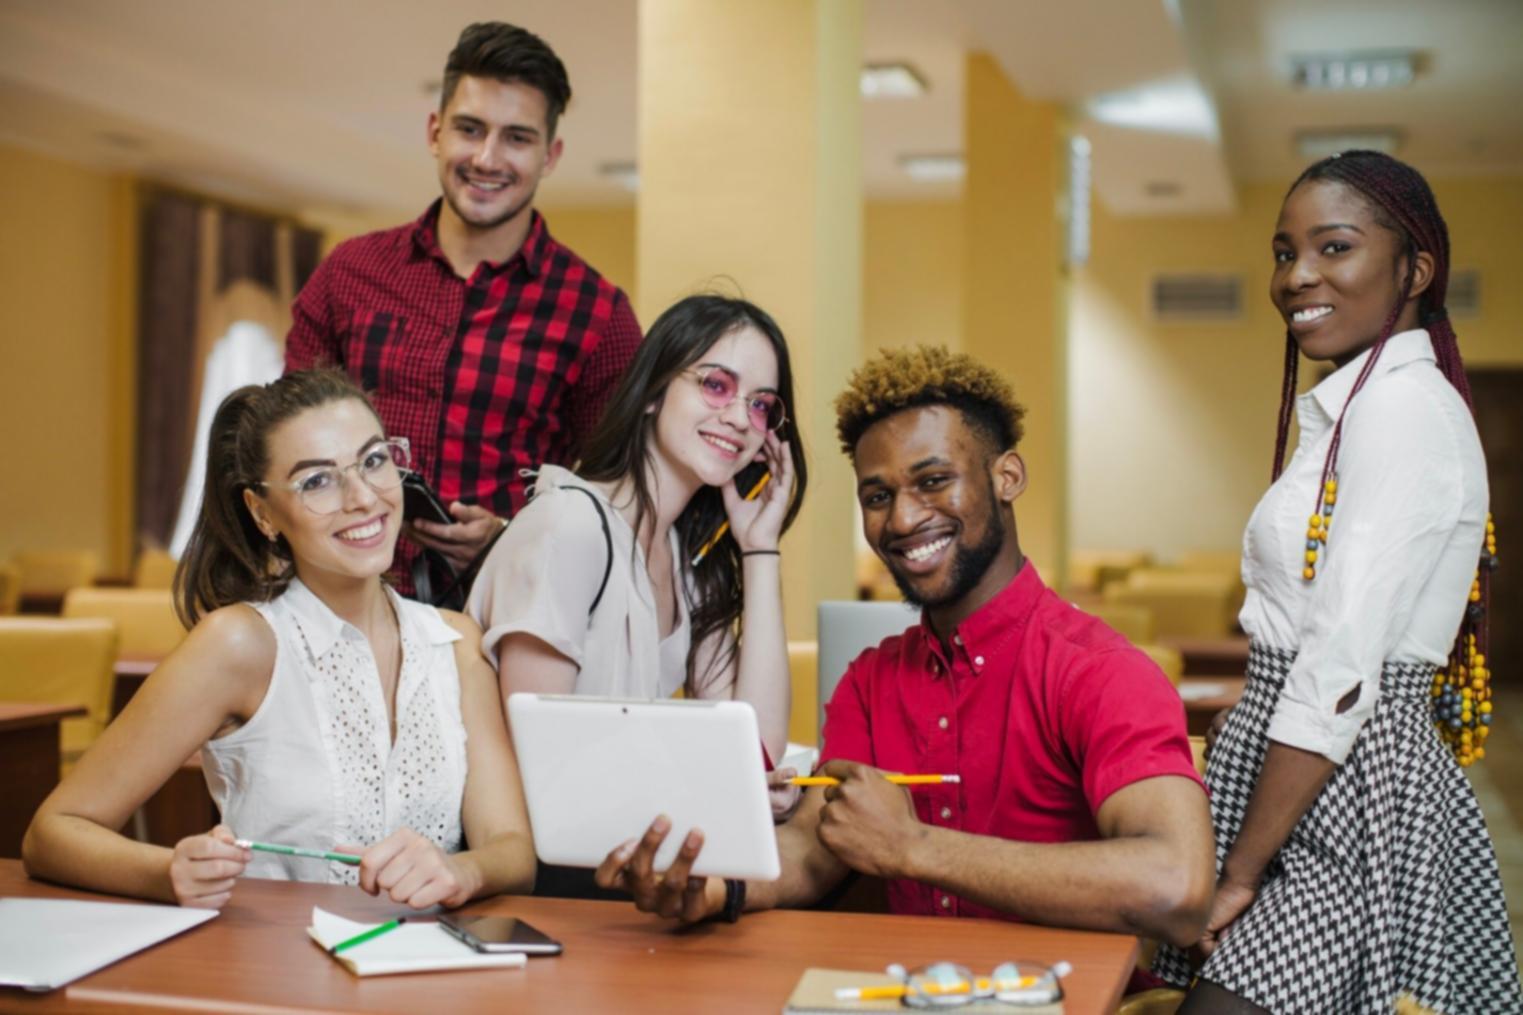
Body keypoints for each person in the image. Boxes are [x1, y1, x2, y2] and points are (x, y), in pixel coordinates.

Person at [593, 346, 1214, 950]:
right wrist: (709, 887)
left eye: (934, 481)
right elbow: (813, 852)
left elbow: (1177, 887)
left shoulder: (1100, 673)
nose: (903, 518)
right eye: (877, 496)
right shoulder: (871, 679)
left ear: (1007, 477)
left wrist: (914, 847)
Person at [1152, 152, 1521, 1014]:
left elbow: (1340, 666)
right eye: (1284, 251)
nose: (1296, 276)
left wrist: (1240, 871)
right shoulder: (1354, 411)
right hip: (1303, 777)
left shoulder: (1402, 413)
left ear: (1414, 269)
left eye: (1333, 246)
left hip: (1348, 791)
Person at [23, 369, 536, 910]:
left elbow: (513, 852)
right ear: (262, 513)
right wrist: (165, 871)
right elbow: (53, 832)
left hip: (438, 975)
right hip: (278, 976)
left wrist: (461, 872)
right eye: (317, 481)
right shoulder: (239, 644)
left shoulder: (455, 642)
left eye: (374, 460)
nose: (363, 497)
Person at [285, 21, 642, 591]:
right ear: (435, 131)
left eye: (517, 138)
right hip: (336, 606)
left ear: (550, 154)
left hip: (505, 619)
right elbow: (286, 439)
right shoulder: (349, 274)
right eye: (470, 129)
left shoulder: (598, 316)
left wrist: (511, 533)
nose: (486, 157)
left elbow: (620, 499)